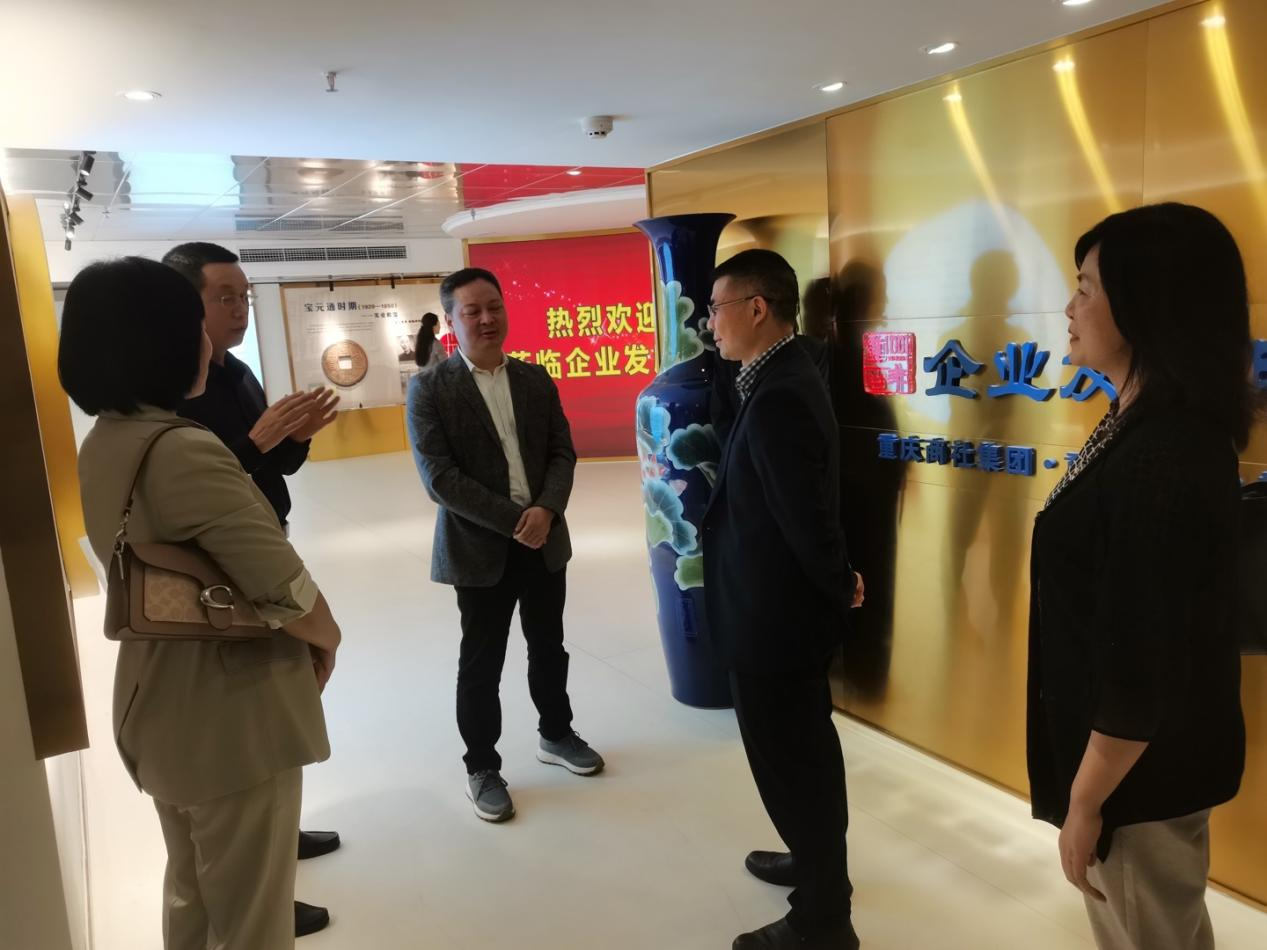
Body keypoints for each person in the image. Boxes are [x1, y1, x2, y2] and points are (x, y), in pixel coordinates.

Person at [61, 257, 342, 950]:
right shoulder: (181, 448)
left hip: (158, 695)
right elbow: (281, 583)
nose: (209, 338)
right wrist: (326, 637)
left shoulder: (105, 440)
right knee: (251, 918)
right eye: (198, 321)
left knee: (192, 889)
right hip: (229, 713)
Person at [1028, 203, 1255, 950]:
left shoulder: (1166, 451)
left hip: (1139, 778)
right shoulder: (1136, 421)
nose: (1069, 308)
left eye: (1086, 288)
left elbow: (1141, 659)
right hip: (1129, 764)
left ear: (1146, 303)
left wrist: (1086, 801)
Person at [161, 242, 341, 938]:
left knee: (282, 701)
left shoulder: (237, 372)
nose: (239, 308)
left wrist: (297, 434)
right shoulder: (173, 397)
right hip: (221, 575)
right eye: (225, 297)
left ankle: (281, 833)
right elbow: (200, 495)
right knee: (255, 717)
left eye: (244, 296)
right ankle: (262, 884)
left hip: (265, 543)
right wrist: (261, 442)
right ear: (186, 306)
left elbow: (275, 468)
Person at [702, 249, 864, 950]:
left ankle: (823, 917)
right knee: (803, 758)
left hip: (774, 623)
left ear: (757, 308)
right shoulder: (779, 374)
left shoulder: (780, 395)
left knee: (794, 766)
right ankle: (812, 859)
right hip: (777, 612)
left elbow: (806, 517)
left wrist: (838, 580)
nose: (711, 324)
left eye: (717, 309)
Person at [406, 267, 604, 823]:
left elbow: (562, 453)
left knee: (549, 646)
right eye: (472, 311)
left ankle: (556, 734)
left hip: (544, 541)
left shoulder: (535, 379)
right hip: (479, 547)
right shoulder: (430, 389)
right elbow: (439, 478)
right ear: (451, 321)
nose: (487, 319)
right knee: (482, 661)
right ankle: (482, 767)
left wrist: (547, 510)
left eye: (494, 306)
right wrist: (519, 519)